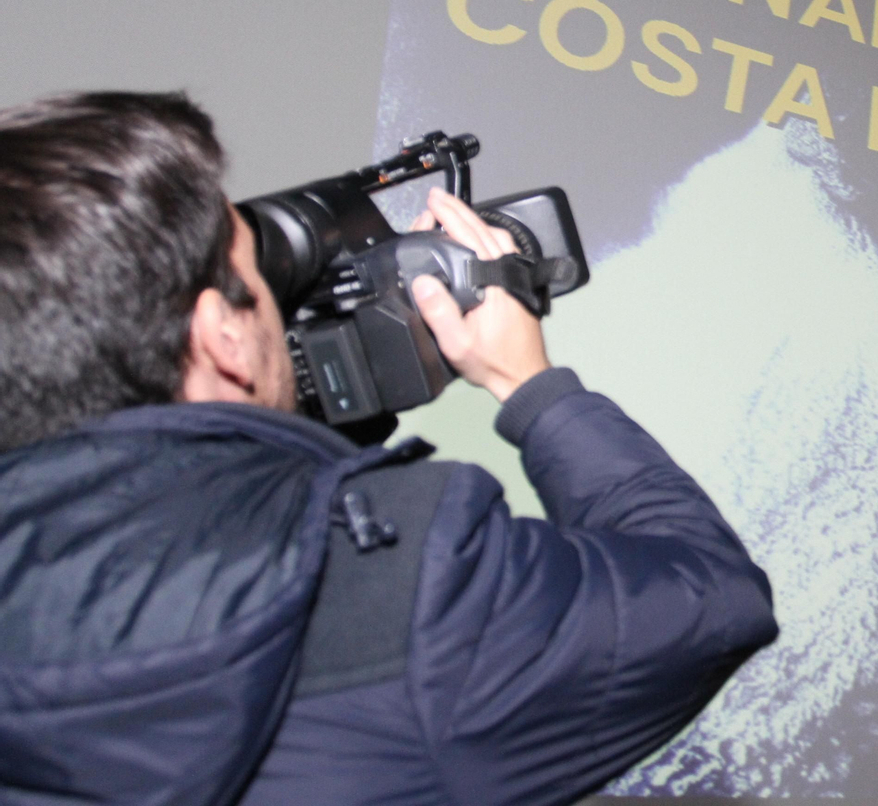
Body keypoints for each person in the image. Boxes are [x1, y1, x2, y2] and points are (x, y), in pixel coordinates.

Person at [0, 91, 777, 805]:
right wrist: (532, 387)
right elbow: (711, 598)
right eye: (258, 279)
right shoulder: (413, 595)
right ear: (222, 337)